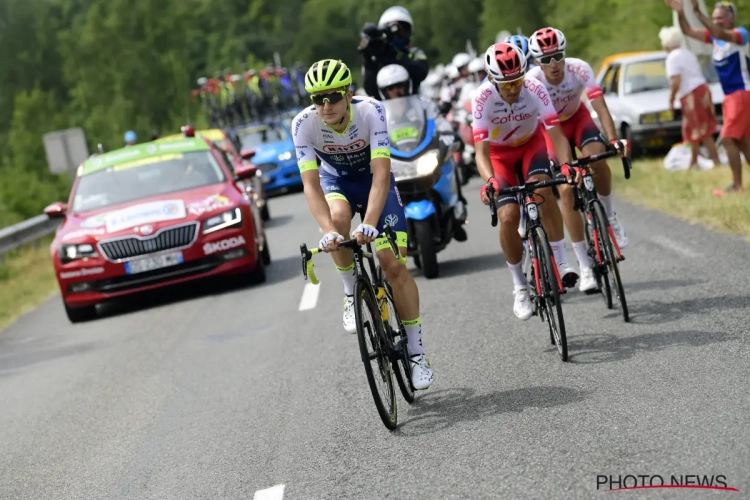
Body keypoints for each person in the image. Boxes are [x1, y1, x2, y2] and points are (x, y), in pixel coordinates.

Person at [292, 59, 434, 390]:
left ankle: (416, 354)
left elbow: (382, 173)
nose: (325, 106)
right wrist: (328, 231)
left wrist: (370, 223)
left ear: (349, 94)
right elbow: (311, 185)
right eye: (317, 99)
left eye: (333, 97)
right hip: (336, 184)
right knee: (338, 221)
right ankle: (348, 291)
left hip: (374, 183)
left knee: (393, 266)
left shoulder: (371, 111)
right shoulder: (303, 124)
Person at [472, 42, 581, 320]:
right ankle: (520, 286)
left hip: (530, 146)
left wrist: (566, 165)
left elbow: (555, 134)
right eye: (505, 83)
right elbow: (481, 152)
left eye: (517, 80)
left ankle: (562, 260)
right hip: (499, 156)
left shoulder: (534, 88)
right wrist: (490, 181)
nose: (513, 88)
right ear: (490, 78)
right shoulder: (482, 98)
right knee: (508, 215)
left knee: (543, 189)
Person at [526, 27, 630, 294]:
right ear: (536, 61)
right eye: (545, 59)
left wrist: (614, 139)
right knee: (567, 188)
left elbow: (600, 107)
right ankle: (584, 266)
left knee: (597, 157)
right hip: (550, 131)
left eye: (557, 56)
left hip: (577, 119)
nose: (553, 64)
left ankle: (609, 214)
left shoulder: (579, 69)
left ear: (564, 54)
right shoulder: (532, 81)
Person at [376, 63, 468, 240]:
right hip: (397, 160)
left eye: (399, 86)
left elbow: (440, 123)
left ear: (407, 85)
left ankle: (456, 206)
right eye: (390, 88)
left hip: (423, 154)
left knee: (448, 160)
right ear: (383, 91)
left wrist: (449, 135)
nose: (396, 91)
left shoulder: (425, 105)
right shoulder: (378, 113)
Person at [671, 0, 749, 195]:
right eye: (714, 18)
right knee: (743, 141)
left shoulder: (740, 34)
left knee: (728, 138)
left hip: (742, 93)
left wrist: (698, 13)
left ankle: (737, 185)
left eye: (721, 18)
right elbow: (688, 31)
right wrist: (681, 13)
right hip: (730, 96)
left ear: (732, 18)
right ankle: (738, 184)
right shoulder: (714, 39)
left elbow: (720, 33)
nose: (717, 21)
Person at [660, 25, 721, 168]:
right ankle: (694, 161)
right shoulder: (687, 53)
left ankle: (716, 160)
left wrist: (671, 99)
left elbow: (676, 81)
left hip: (691, 94)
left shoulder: (671, 58)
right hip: (702, 89)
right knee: (689, 128)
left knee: (701, 129)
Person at [359, 6, 429, 99]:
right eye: (393, 33)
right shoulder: (376, 58)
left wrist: (395, 54)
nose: (397, 36)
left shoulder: (413, 53)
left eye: (403, 31)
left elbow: (420, 72)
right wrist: (368, 59)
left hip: (414, 107)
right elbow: (370, 90)